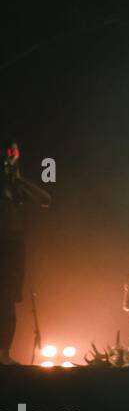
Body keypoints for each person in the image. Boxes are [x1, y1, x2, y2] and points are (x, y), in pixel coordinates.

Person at [1, 138, 51, 365]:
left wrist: (19, 180)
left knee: (7, 302)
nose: (8, 161)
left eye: (12, 157)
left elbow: (45, 200)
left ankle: (2, 354)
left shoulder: (14, 186)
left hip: (13, 248)